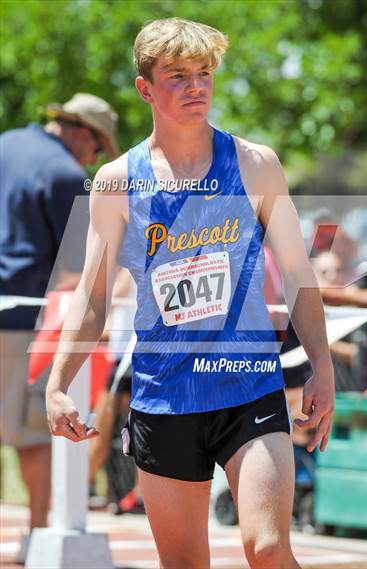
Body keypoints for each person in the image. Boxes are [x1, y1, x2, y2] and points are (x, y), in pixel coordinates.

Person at [46, 19, 334, 569]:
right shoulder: (116, 181)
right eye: (177, 75)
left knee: (269, 549)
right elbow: (93, 294)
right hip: (165, 396)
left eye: (204, 73)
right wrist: (58, 383)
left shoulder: (255, 164)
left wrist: (320, 363)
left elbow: (299, 274)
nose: (196, 86)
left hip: (248, 386)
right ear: (145, 88)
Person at [0, 93, 118, 560]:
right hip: (22, 321)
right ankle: (34, 537)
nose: (94, 158)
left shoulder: (5, 142)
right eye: (97, 148)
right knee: (33, 431)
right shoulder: (69, 175)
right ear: (83, 132)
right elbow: (79, 267)